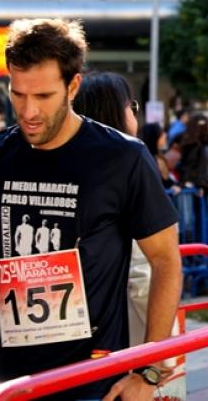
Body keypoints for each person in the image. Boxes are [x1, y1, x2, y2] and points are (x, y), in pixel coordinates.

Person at [0, 18, 182, 401]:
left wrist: (148, 372)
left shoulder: (123, 157)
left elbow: (166, 261)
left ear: (73, 85)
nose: (28, 111)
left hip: (97, 381)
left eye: (44, 97)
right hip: (16, 382)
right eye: (18, 94)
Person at [73, 71, 160, 348]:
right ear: (115, 111)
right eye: (132, 107)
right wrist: (161, 354)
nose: (136, 116)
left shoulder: (68, 164)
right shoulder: (130, 161)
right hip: (122, 337)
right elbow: (143, 270)